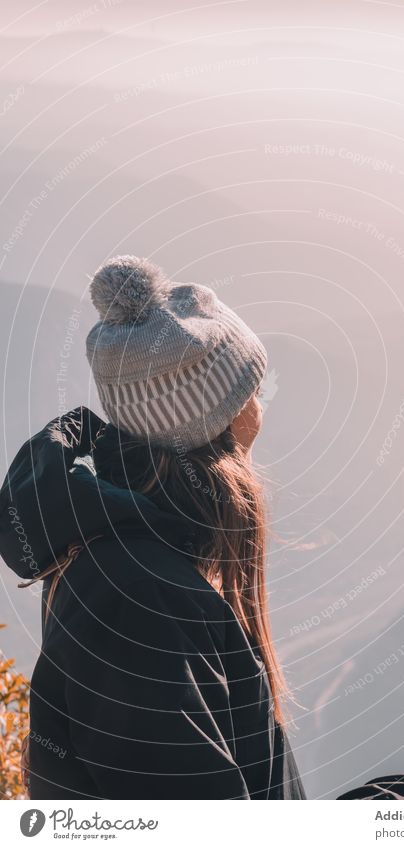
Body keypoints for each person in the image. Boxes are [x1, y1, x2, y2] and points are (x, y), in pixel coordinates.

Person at [0, 255, 306, 800]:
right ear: (224, 420)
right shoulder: (143, 599)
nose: (262, 405)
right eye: (252, 388)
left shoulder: (135, 568)